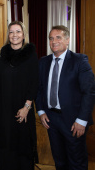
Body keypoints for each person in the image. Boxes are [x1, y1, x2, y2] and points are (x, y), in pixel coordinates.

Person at [35, 25, 94, 170]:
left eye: (58, 37)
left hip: (74, 121)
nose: (54, 41)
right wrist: (41, 111)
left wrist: (81, 120)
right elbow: (38, 89)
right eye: (51, 38)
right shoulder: (43, 61)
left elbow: (90, 92)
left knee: (76, 162)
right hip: (51, 120)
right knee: (59, 160)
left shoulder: (80, 60)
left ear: (67, 40)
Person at [0, 21, 39, 170]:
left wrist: (26, 107)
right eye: (11, 32)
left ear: (23, 35)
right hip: (3, 112)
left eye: (18, 31)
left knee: (23, 147)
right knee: (5, 147)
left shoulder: (31, 56)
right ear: (8, 35)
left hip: (22, 110)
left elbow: (34, 83)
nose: (14, 35)